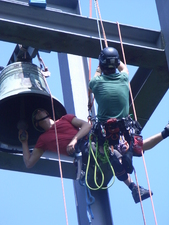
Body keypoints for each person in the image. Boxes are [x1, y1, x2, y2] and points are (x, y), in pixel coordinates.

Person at [88, 46, 169, 203]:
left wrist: (98, 69)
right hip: (124, 127)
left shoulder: (96, 83)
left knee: (107, 152)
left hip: (106, 130)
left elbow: (92, 85)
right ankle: (164, 133)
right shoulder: (124, 79)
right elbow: (123, 67)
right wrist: (116, 61)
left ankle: (131, 184)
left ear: (102, 64)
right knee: (135, 145)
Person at [18, 108, 92, 168]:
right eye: (36, 113)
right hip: (82, 154)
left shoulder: (66, 118)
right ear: (36, 123)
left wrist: (74, 140)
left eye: (41, 110)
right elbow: (28, 163)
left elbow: (87, 126)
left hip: (88, 144)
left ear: (48, 114)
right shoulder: (43, 139)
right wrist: (24, 142)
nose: (38, 111)